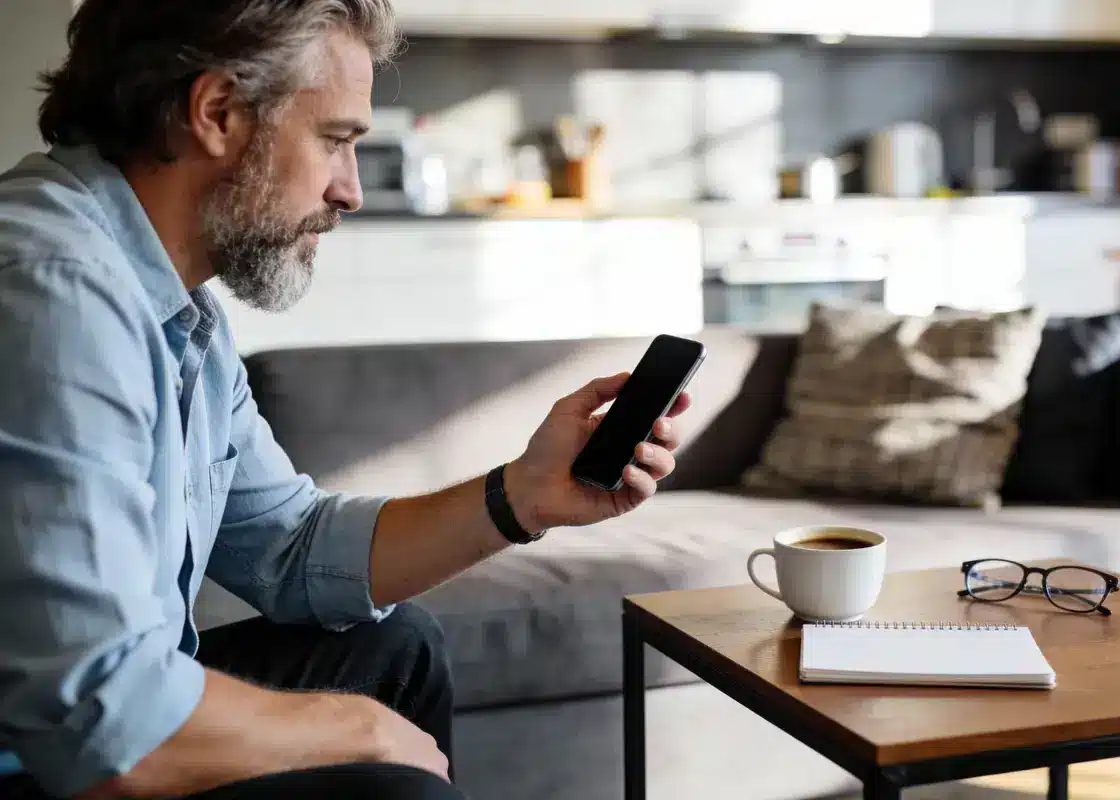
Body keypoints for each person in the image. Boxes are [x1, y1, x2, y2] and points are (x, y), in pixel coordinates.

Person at [0, 2, 691, 798]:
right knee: (391, 777)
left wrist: (524, 495)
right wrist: (359, 728)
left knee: (396, 651)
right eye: (335, 140)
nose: (351, 191)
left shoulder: (172, 308)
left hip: (81, 726)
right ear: (216, 112)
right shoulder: (55, 294)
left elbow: (292, 549)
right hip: (43, 760)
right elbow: (100, 721)